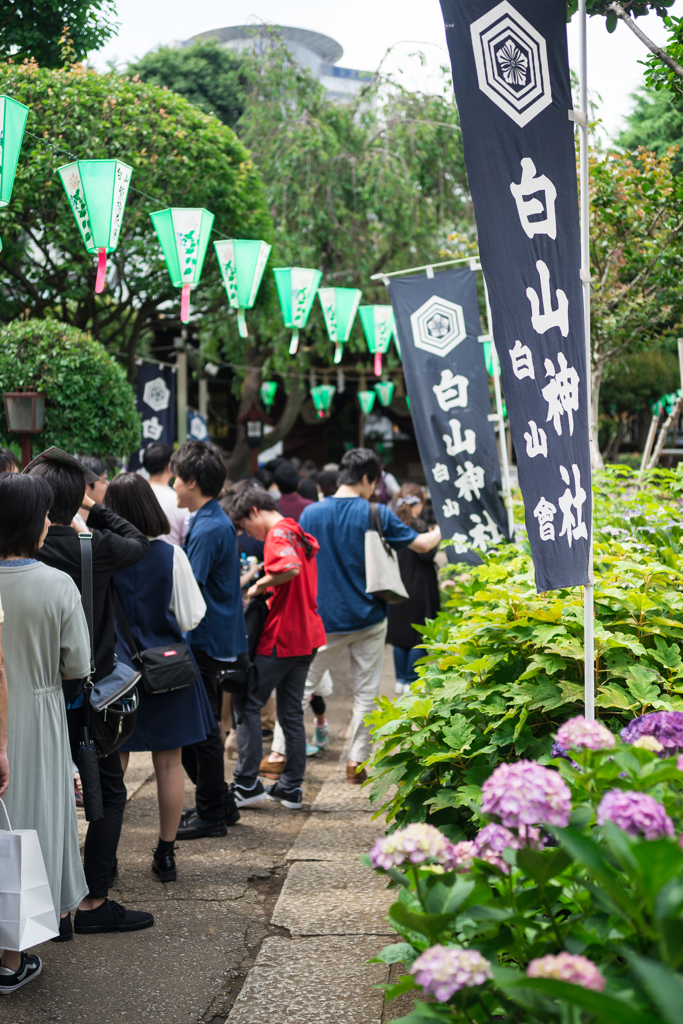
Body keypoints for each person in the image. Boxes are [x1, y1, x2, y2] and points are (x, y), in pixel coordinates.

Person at [29, 454, 154, 935]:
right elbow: (139, 542)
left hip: (31, 691)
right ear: (75, 497)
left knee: (39, 796)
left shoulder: (21, 551)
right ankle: (93, 902)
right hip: (86, 694)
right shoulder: (93, 547)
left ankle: (48, 907)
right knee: (106, 795)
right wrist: (96, 506)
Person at [299, 449, 441, 783]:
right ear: (367, 478)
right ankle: (356, 762)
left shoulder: (310, 515)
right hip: (368, 617)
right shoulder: (374, 512)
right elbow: (422, 544)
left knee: (301, 688)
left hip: (323, 618)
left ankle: (278, 754)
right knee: (366, 692)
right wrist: (445, 524)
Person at [0, 473, 90, 992]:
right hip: (38, 709)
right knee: (26, 826)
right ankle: (10, 960)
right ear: (34, 524)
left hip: (6, 713)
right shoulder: (57, 583)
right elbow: (76, 663)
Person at [104, 473, 214, 882]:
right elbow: (191, 616)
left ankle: (106, 859)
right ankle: (165, 855)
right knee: (169, 764)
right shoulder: (171, 556)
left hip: (114, 679)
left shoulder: (100, 559)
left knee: (113, 767)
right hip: (168, 672)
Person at [170, 441, 248, 841]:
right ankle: (220, 804)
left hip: (203, 641)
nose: (174, 485)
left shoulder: (207, 526)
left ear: (194, 482)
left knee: (199, 732)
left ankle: (211, 812)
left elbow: (188, 591)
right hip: (215, 637)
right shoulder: (212, 519)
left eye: (178, 479)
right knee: (202, 729)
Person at [230, 487, 325, 809]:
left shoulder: (277, 534)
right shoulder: (297, 530)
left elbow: (291, 568)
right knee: (291, 712)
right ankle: (291, 787)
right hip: (308, 634)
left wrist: (259, 584)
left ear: (255, 511)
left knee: (248, 702)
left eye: (246, 526)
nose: (248, 534)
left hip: (284, 635)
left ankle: (246, 783)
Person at [387, 485, 440, 695]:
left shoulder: (393, 523)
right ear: (418, 503)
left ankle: (400, 678)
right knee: (417, 636)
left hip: (395, 585)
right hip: (418, 586)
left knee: (399, 636)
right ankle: (411, 679)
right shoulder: (417, 525)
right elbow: (426, 555)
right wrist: (435, 533)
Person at [142, 442, 188, 547]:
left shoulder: (136, 496)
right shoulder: (179, 499)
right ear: (169, 467)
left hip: (140, 560)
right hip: (171, 560)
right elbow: (185, 540)